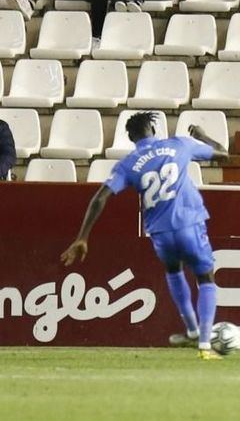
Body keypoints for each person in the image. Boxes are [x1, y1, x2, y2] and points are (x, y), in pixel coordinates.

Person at [60, 111, 229, 360]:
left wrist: (83, 236)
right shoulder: (178, 144)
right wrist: (204, 137)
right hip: (188, 222)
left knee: (174, 270)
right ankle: (205, 344)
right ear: (153, 129)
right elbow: (223, 155)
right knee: (205, 277)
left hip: (160, 232)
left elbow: (100, 198)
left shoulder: (127, 164)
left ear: (130, 137)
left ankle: (192, 329)